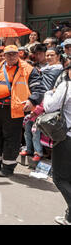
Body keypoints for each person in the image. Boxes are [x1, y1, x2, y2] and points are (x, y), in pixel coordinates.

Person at [0, 45, 46, 177]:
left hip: (15, 109)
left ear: (18, 55)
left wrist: (32, 101)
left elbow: (39, 89)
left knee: (11, 139)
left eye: (14, 54)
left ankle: (8, 168)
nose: (11, 56)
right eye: (8, 54)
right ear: (4, 55)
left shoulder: (28, 69)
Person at [43, 64, 71, 225]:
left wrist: (48, 93)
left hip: (66, 139)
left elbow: (49, 107)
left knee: (59, 178)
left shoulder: (66, 86)